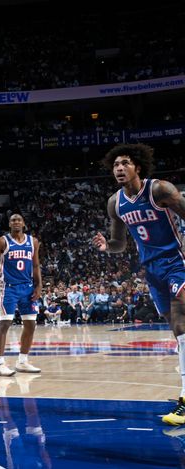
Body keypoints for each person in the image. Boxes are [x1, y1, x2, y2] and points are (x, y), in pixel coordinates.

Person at [91, 144, 185, 425]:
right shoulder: (115, 203)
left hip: (176, 262)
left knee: (181, 325)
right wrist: (107, 246)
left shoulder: (160, 190)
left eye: (125, 163)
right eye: (115, 165)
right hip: (152, 271)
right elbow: (120, 244)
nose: (119, 168)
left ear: (138, 167)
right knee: (176, 331)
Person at [0, 213, 43, 376]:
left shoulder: (33, 242)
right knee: (4, 324)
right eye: (13, 220)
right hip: (9, 288)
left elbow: (35, 266)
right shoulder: (1, 241)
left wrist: (39, 286)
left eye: (19, 220)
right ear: (9, 224)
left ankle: (22, 361)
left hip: (27, 287)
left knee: (30, 324)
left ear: (24, 224)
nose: (16, 222)